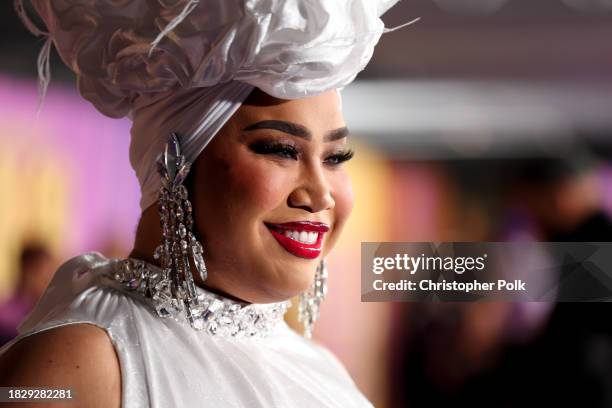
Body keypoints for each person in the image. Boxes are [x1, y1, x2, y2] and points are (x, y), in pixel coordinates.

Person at [0, 1, 413, 407]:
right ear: (174, 162)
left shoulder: (321, 368)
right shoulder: (79, 364)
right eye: (280, 149)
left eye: (335, 158)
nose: (321, 194)